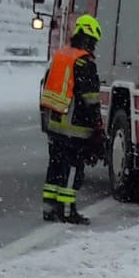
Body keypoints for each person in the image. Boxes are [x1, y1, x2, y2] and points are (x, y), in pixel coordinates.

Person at [38, 15, 105, 225]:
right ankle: (67, 210)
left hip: (54, 123)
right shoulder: (84, 62)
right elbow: (90, 99)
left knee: (55, 166)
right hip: (74, 126)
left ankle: (49, 208)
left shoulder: (60, 56)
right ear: (90, 38)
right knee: (73, 168)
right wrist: (97, 126)